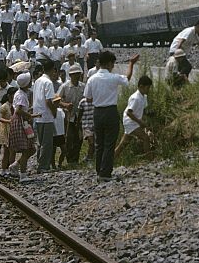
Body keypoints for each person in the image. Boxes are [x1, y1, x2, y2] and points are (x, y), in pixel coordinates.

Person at [84, 50, 139, 181]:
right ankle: (105, 173)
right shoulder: (113, 77)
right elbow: (127, 79)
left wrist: (98, 98)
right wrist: (131, 63)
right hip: (110, 111)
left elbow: (88, 98)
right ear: (109, 63)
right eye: (113, 63)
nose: (113, 66)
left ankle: (99, 171)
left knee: (99, 143)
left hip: (97, 112)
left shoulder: (92, 79)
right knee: (109, 143)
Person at [6, 72, 37, 181]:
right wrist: (28, 114)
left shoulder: (21, 93)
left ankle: (15, 165)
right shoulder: (21, 95)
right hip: (20, 122)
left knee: (31, 149)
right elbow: (18, 110)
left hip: (22, 121)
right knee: (26, 149)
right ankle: (22, 175)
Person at [115, 75, 154, 159]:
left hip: (134, 121)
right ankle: (149, 157)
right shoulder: (135, 98)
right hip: (130, 122)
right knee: (145, 137)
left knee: (125, 142)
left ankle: (113, 157)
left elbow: (143, 110)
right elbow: (129, 113)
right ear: (141, 87)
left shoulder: (144, 97)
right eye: (147, 88)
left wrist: (148, 117)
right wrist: (140, 122)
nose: (148, 90)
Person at [33, 61, 61, 174]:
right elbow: (49, 100)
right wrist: (54, 111)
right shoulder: (48, 82)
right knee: (47, 143)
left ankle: (39, 163)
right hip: (46, 115)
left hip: (37, 114)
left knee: (40, 142)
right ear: (53, 69)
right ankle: (43, 166)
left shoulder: (37, 81)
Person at [167, 20, 199, 85]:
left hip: (180, 53)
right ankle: (180, 81)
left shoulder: (195, 34)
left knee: (183, 68)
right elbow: (181, 41)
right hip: (176, 51)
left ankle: (181, 81)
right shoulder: (190, 31)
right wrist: (176, 52)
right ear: (198, 26)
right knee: (187, 66)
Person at [60, 63, 86, 165]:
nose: (76, 76)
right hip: (68, 117)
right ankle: (69, 159)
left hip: (80, 116)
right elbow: (56, 99)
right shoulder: (65, 86)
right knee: (69, 138)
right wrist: (65, 105)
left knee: (79, 138)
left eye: (78, 74)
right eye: (74, 74)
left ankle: (75, 159)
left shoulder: (83, 86)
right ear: (70, 75)